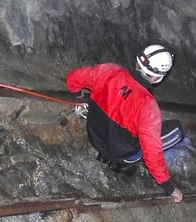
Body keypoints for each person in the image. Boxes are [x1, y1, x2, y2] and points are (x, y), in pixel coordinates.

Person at [66, 44, 184, 204]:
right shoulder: (148, 107)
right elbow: (152, 152)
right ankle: (122, 165)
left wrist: (78, 93)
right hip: (122, 156)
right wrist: (168, 186)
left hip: (95, 137)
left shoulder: (110, 71)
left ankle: (112, 156)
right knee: (177, 130)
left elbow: (73, 78)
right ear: (157, 77)